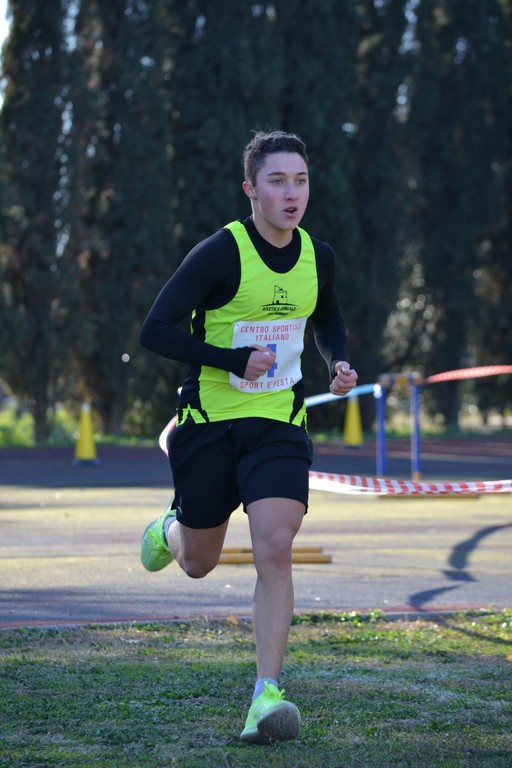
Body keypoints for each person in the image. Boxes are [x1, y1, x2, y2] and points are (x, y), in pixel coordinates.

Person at [139, 130, 358, 745]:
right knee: (199, 562)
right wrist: (231, 359)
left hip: (279, 425)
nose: (292, 194)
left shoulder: (319, 256)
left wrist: (338, 361)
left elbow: (327, 318)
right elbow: (155, 330)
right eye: (277, 181)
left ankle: (266, 695)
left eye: (301, 181)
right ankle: (170, 528)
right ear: (251, 190)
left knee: (276, 545)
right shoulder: (221, 253)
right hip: (210, 424)